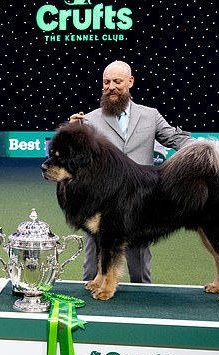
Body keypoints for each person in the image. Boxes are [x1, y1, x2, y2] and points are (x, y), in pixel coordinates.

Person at [69, 60, 197, 283]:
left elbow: (176, 139)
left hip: (140, 201)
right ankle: (87, 300)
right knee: (93, 263)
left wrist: (199, 152)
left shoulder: (151, 115)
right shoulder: (88, 120)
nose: (111, 87)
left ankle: (143, 301)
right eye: (106, 82)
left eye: (117, 81)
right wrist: (71, 130)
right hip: (101, 201)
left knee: (140, 265)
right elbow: (72, 156)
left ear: (130, 82)